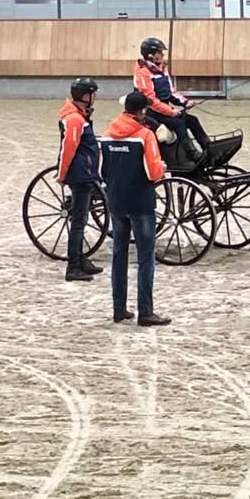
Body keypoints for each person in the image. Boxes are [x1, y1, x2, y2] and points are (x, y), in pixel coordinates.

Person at [99, 91, 171, 326]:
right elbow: (153, 172)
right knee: (145, 258)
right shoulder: (145, 135)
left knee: (119, 254)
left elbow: (102, 172)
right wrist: (162, 167)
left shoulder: (108, 135)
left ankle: (119, 308)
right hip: (141, 202)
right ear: (142, 112)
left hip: (117, 202)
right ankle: (146, 311)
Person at [133, 36, 211, 166]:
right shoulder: (143, 73)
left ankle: (208, 148)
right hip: (150, 114)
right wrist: (170, 111)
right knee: (179, 123)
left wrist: (185, 102)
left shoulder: (162, 70)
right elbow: (150, 100)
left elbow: (171, 92)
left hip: (164, 111)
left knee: (192, 120)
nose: (162, 55)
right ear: (151, 55)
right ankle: (193, 155)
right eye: (160, 52)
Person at [57, 77, 103, 282]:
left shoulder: (80, 116)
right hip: (80, 173)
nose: (96, 98)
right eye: (94, 94)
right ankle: (73, 266)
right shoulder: (75, 119)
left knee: (82, 219)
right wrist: (62, 173)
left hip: (86, 171)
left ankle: (80, 257)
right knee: (78, 222)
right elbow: (69, 147)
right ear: (86, 96)